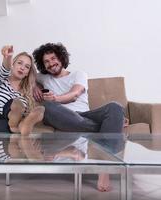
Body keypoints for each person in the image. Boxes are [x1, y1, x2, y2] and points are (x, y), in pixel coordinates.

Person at [32, 42, 125, 192]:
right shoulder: (44, 78)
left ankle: (104, 168)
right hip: (61, 116)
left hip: (84, 116)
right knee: (47, 107)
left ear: (61, 58)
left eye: (53, 58)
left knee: (115, 107)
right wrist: (34, 85)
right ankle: (109, 125)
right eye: (46, 61)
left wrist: (55, 98)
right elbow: (27, 73)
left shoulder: (79, 74)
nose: (51, 63)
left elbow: (75, 94)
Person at [0, 45, 45, 162]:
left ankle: (18, 125)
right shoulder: (0, 81)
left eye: (26, 67)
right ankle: (19, 126)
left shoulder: (25, 95)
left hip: (5, 123)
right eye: (19, 63)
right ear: (13, 65)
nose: (22, 68)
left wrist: (36, 86)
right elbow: (5, 68)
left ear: (27, 73)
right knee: (12, 105)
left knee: (8, 121)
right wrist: (8, 57)